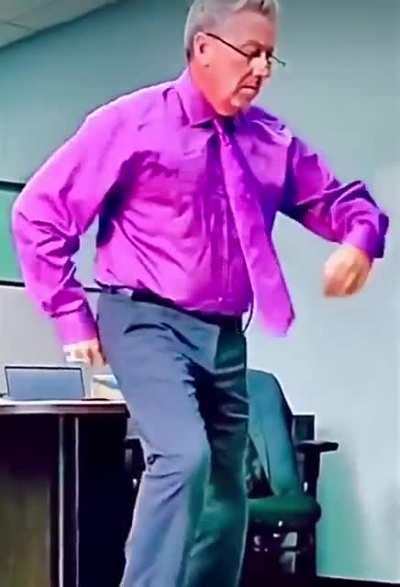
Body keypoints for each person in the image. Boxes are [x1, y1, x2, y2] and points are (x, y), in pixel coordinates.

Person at [12, 0, 388, 585]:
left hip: (224, 336)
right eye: (250, 53)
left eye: (270, 57)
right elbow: (39, 213)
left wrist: (359, 241)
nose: (261, 70)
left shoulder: (270, 140)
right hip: (144, 320)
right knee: (183, 457)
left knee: (225, 487)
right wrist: (71, 314)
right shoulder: (132, 122)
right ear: (204, 48)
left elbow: (339, 201)